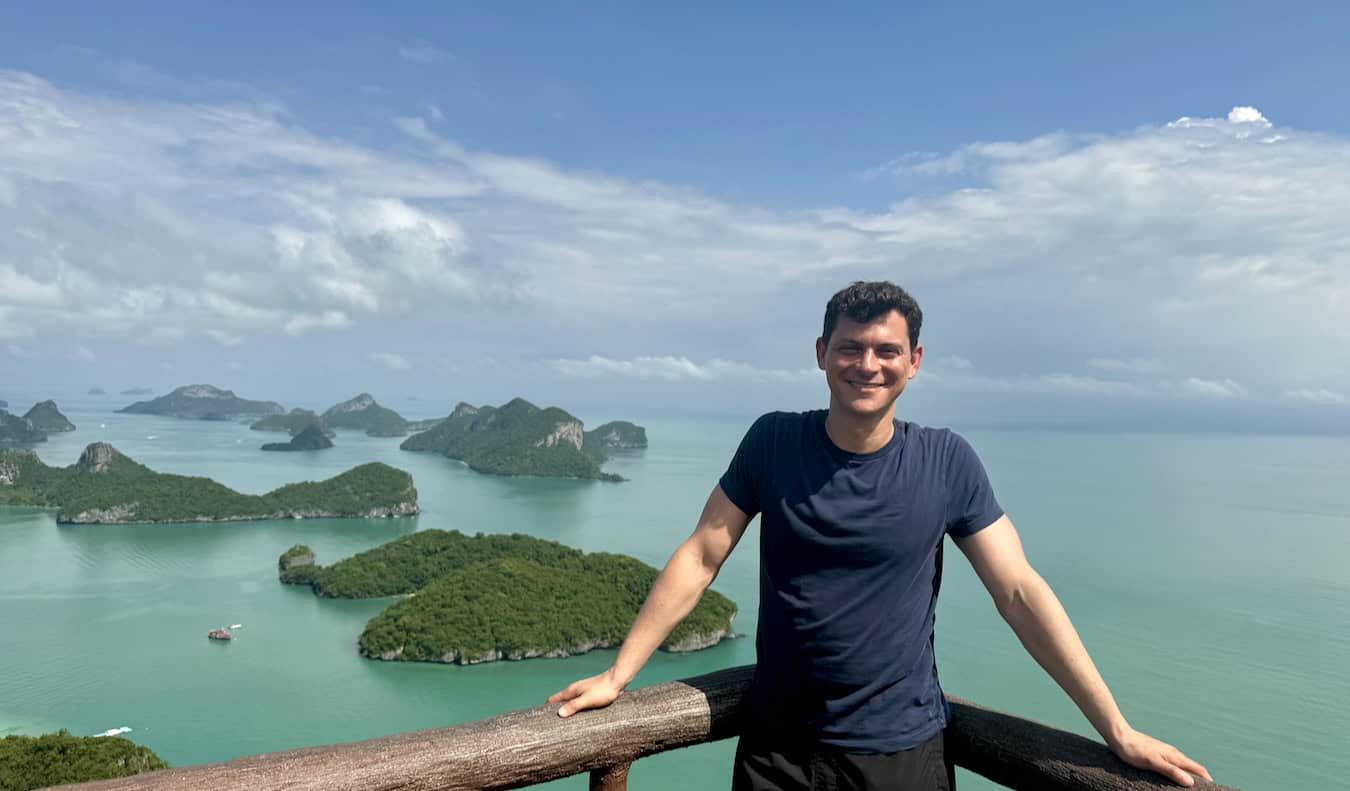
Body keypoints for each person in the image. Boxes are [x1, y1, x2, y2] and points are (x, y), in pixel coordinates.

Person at [548, 281, 1212, 790]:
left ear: (914, 361)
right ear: (822, 354)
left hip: (901, 751)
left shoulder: (946, 461)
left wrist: (1115, 729)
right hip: (777, 748)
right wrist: (619, 672)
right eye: (851, 347)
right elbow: (701, 553)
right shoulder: (774, 441)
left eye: (886, 350)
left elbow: (1018, 590)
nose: (868, 363)